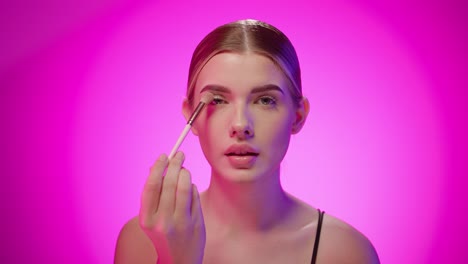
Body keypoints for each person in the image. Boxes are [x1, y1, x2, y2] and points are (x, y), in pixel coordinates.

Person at [114, 19, 380, 264]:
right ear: (190, 115)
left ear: (298, 116)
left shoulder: (345, 251)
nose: (241, 125)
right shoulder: (142, 241)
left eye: (265, 100)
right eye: (217, 100)